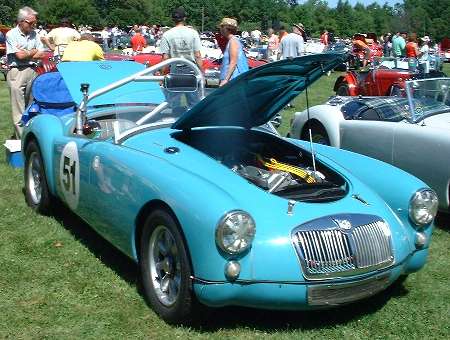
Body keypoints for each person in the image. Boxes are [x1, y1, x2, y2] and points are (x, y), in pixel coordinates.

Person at [5, 6, 45, 138]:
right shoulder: (11, 34)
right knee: (18, 109)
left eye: (35, 22)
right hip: (17, 72)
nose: (34, 25)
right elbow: (19, 57)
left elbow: (41, 54)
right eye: (31, 22)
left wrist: (27, 52)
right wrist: (32, 51)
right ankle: (22, 140)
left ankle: (30, 135)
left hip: (32, 70)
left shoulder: (35, 34)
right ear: (21, 21)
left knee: (31, 106)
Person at [159, 7, 203, 112]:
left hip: (175, 69)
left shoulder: (167, 35)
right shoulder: (193, 33)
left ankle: (176, 120)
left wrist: (162, 75)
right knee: (194, 101)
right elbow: (197, 55)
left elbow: (165, 58)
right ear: (184, 18)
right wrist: (201, 72)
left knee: (175, 101)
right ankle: (194, 122)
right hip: (191, 68)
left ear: (173, 19)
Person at [218, 17, 248, 86]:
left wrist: (226, 79)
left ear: (226, 29)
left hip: (233, 80)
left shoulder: (233, 41)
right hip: (232, 80)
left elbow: (233, 62)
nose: (220, 29)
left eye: (222, 27)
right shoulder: (231, 41)